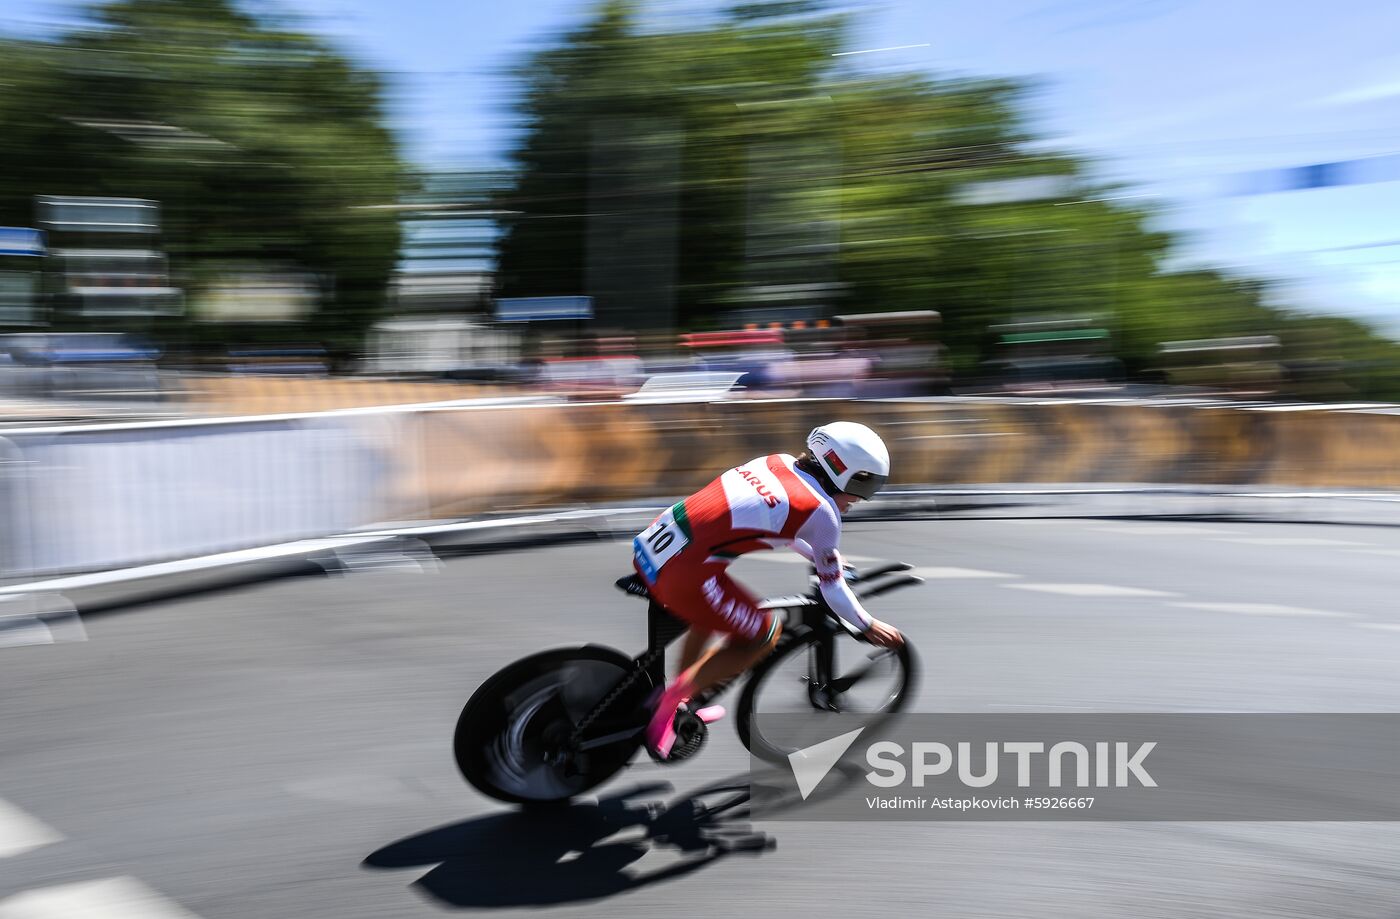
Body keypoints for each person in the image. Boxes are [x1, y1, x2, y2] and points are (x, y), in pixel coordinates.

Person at [632, 420, 905, 760]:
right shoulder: (823, 512)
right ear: (843, 473)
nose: (861, 499)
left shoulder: (775, 462)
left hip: (654, 547)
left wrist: (823, 556)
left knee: (713, 616)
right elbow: (832, 589)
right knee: (764, 633)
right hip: (685, 574)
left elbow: (783, 530)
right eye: (864, 486)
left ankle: (682, 698)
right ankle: (668, 704)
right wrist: (867, 624)